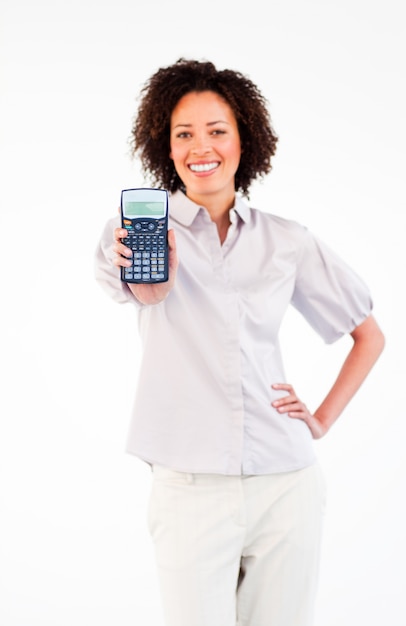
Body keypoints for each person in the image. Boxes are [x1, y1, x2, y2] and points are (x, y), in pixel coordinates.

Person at [94, 58, 385, 626]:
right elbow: (144, 295)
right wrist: (155, 275)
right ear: (166, 149)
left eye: (217, 130)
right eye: (184, 134)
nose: (201, 146)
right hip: (189, 486)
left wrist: (320, 421)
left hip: (287, 483)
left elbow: (368, 335)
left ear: (244, 140)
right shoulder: (132, 233)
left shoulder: (287, 240)